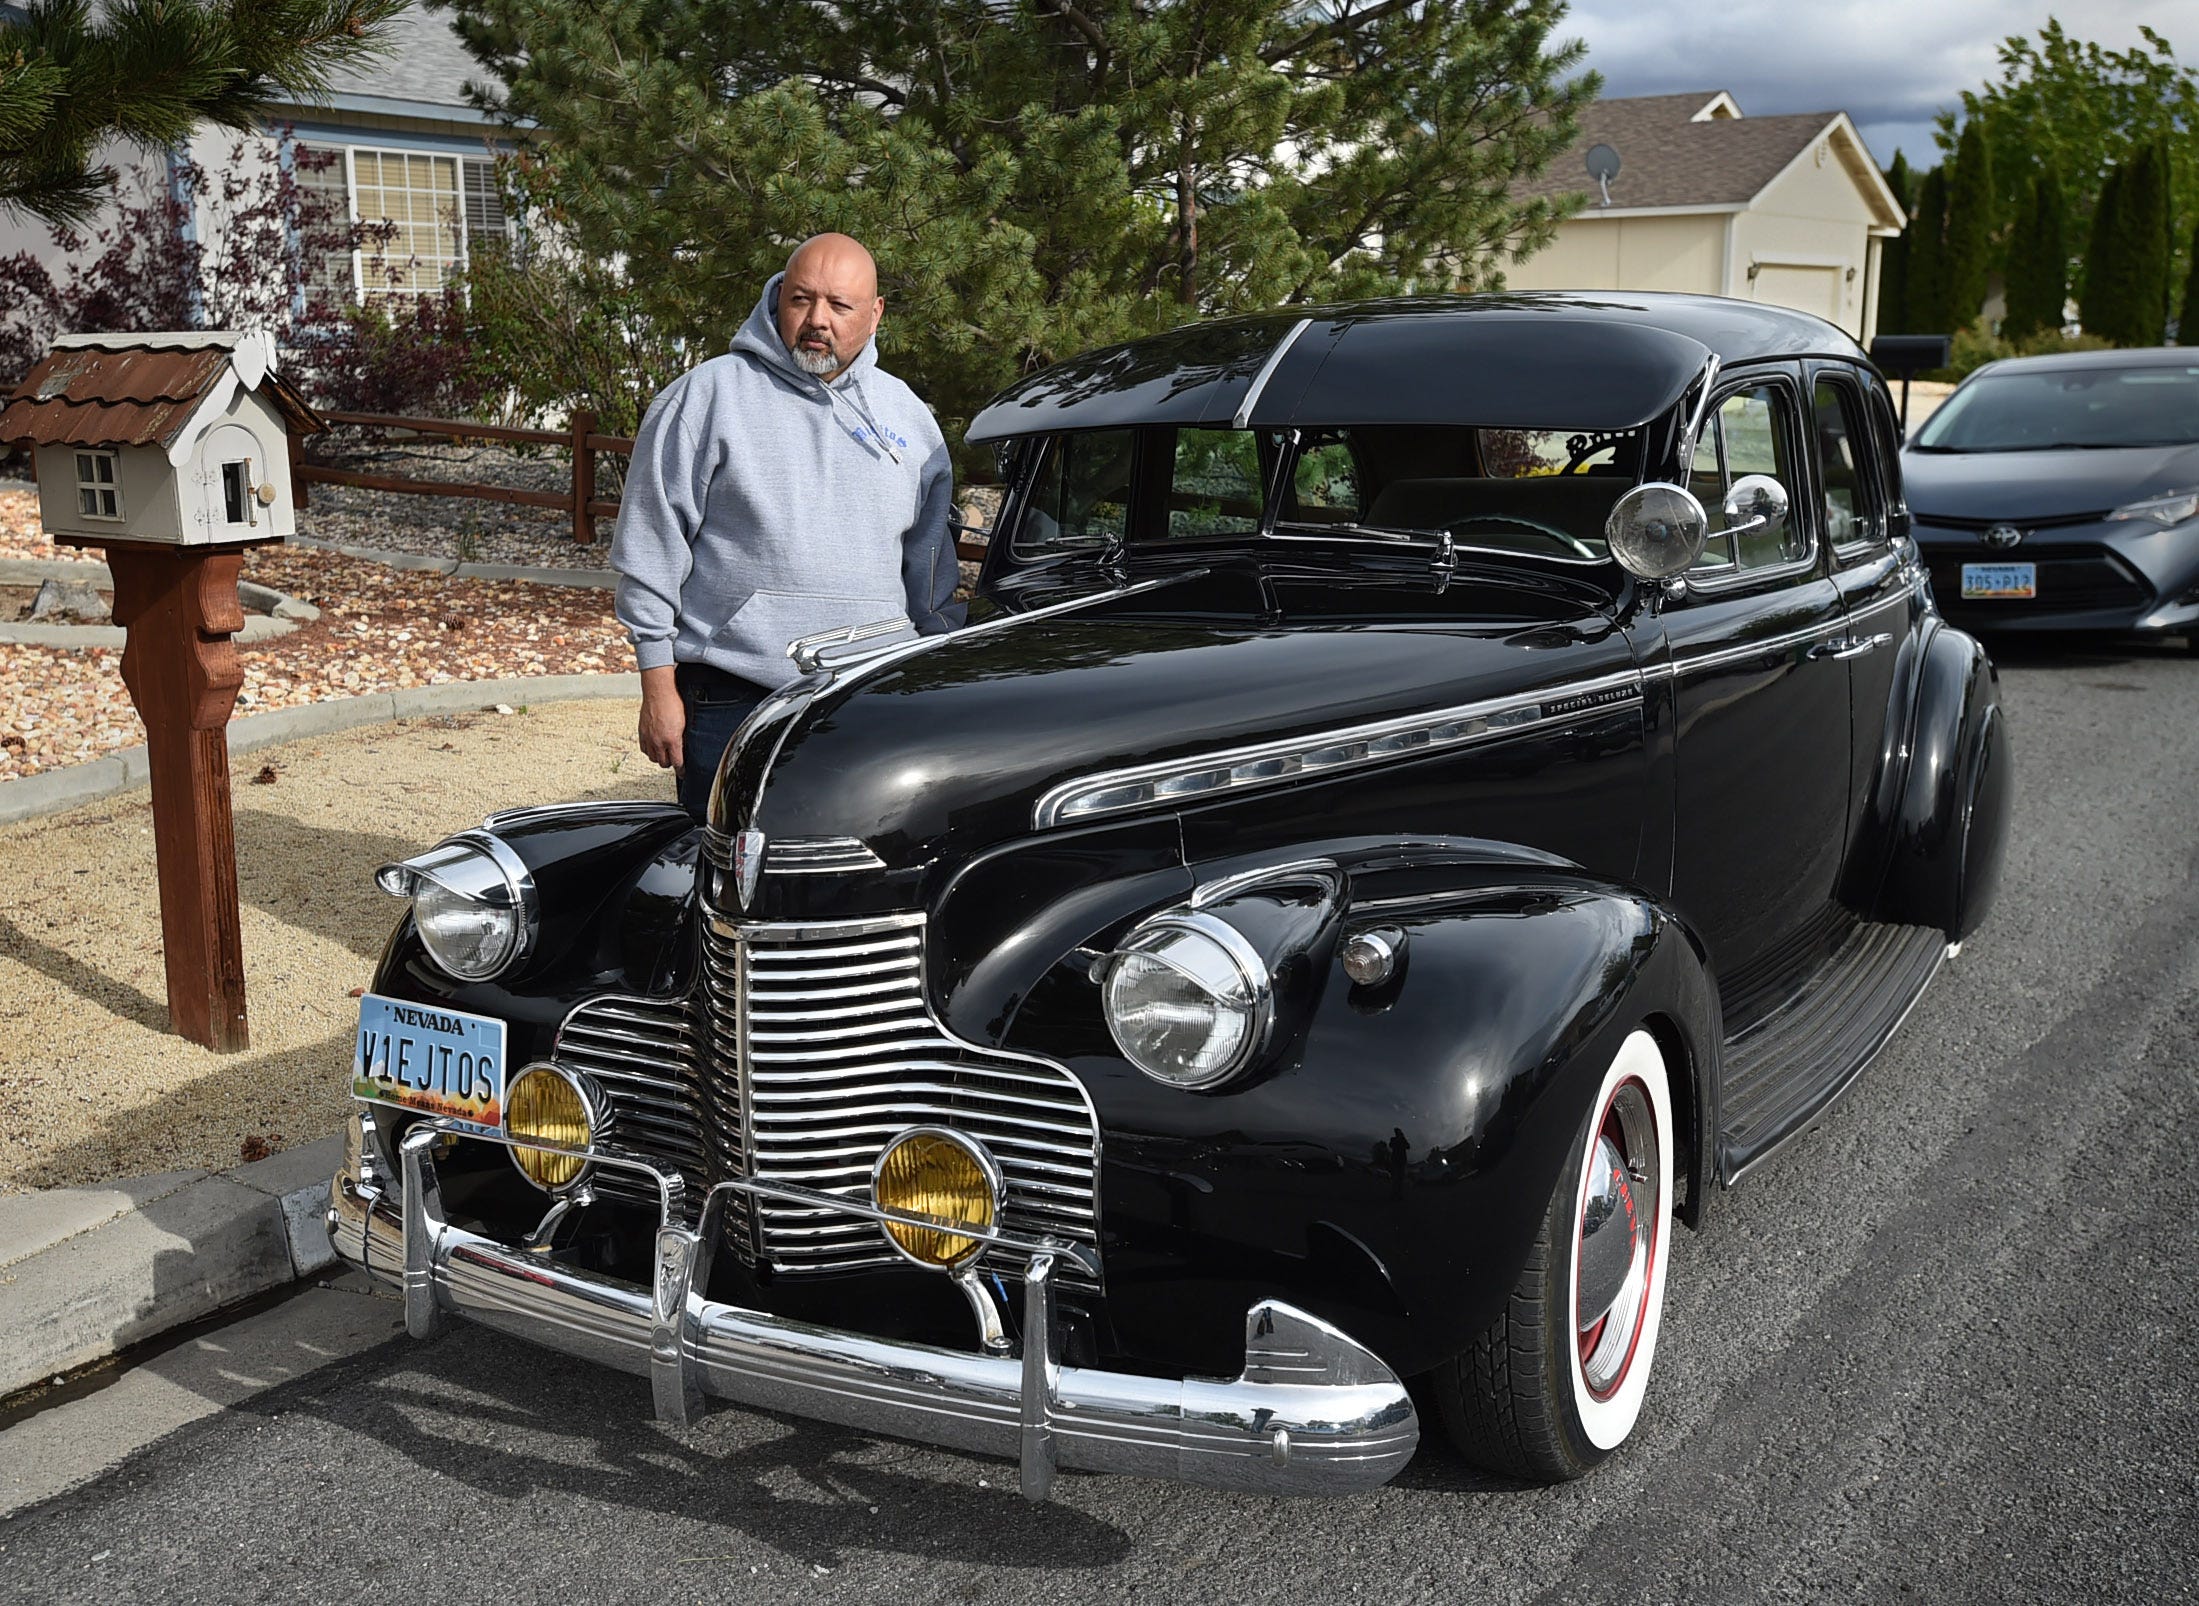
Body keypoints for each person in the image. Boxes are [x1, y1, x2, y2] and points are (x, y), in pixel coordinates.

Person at [611, 233, 963, 821]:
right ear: (777, 297)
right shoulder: (706, 397)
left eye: (839, 306)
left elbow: (928, 567)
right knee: (725, 865)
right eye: (801, 299)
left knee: (858, 865)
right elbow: (651, 548)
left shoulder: (908, 417)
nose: (816, 320)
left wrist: (929, 671)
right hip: (732, 693)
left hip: (872, 694)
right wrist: (657, 685)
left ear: (875, 314)